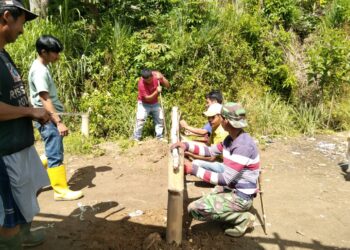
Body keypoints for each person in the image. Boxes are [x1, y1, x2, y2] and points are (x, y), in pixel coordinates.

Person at [0, 1, 52, 248]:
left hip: (18, 143)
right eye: (21, 22)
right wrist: (30, 111)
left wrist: (30, 114)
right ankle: (13, 240)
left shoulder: (4, 54)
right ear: (7, 17)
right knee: (6, 212)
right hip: (4, 149)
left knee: (29, 190)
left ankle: (24, 235)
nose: (22, 30)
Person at [171, 102, 259, 237]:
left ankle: (243, 219)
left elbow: (224, 179)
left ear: (226, 121)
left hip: (241, 196)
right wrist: (185, 145)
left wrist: (193, 169)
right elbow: (210, 151)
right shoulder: (231, 139)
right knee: (212, 195)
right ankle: (233, 213)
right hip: (233, 188)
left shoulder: (243, 146)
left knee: (195, 209)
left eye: (222, 117)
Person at [28, 35, 83, 201]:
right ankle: (60, 191)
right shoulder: (39, 70)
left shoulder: (42, 67)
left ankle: (31, 176)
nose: (57, 56)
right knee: (55, 153)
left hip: (46, 117)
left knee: (52, 150)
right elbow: (45, 99)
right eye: (55, 53)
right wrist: (58, 122)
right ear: (43, 52)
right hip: (47, 119)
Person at [132, 68, 170, 141]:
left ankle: (159, 137)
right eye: (147, 81)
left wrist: (162, 78)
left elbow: (168, 86)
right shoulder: (141, 84)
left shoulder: (156, 75)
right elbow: (147, 98)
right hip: (143, 103)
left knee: (160, 119)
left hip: (155, 102)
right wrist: (157, 92)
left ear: (152, 76)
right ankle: (136, 138)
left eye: (150, 80)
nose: (149, 82)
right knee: (140, 120)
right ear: (143, 79)